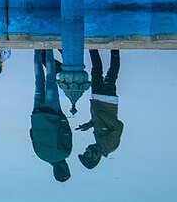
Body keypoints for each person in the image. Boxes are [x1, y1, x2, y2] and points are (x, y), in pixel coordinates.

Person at [30, 49, 72, 182]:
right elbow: (32, 134)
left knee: (51, 78)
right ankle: (37, 50)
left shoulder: (65, 153)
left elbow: (66, 132)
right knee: (38, 79)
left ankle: (48, 47)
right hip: (37, 114)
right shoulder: (40, 155)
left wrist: (61, 116)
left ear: (65, 168)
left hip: (53, 114)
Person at [78, 50, 122, 170]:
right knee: (112, 74)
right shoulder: (109, 146)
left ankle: (93, 47)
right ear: (95, 157)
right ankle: (115, 47)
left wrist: (89, 124)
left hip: (97, 100)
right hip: (108, 101)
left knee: (96, 71)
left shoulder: (99, 143)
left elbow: (100, 123)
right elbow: (118, 126)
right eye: (87, 153)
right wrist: (101, 115)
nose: (86, 149)